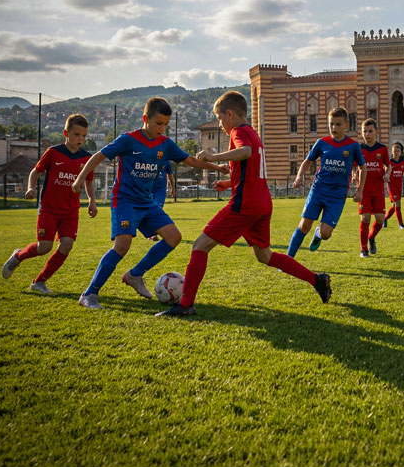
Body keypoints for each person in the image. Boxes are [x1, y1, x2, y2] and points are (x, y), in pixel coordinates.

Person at [156, 91, 332, 316]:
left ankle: (185, 304)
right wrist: (230, 183)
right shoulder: (253, 133)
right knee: (264, 255)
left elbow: (245, 152)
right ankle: (317, 279)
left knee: (200, 245)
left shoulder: (239, 132)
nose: (219, 124)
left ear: (229, 114)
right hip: (261, 202)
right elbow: (252, 170)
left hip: (245, 204)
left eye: (219, 119)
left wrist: (213, 156)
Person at [71, 97, 227, 309]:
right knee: (122, 245)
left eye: (166, 124)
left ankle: (135, 274)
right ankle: (89, 294)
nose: (162, 128)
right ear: (145, 119)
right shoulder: (128, 140)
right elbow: (98, 156)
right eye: (158, 123)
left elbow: (191, 160)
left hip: (147, 202)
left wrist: (218, 168)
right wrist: (80, 178)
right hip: (125, 201)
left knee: (174, 237)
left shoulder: (166, 144)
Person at [2, 114, 97, 293]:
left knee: (67, 245)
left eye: (84, 136)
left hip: (70, 211)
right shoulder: (53, 152)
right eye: (77, 135)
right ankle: (18, 256)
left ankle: (39, 282)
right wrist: (30, 188)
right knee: (44, 247)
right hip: (49, 209)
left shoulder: (86, 158)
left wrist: (92, 201)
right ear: (65, 133)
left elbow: (89, 182)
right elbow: (35, 172)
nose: (81, 139)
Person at [287, 107, 365, 258]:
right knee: (304, 225)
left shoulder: (353, 146)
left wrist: (360, 190)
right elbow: (307, 162)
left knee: (326, 234)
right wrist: (299, 177)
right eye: (331, 124)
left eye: (338, 124)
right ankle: (287, 260)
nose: (334, 128)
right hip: (318, 190)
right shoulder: (321, 143)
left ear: (346, 125)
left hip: (337, 196)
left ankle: (318, 233)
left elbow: (363, 168)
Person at [355, 119, 390, 258]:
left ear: (376, 131)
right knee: (365, 217)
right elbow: (354, 165)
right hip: (364, 189)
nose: (367, 134)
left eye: (370, 131)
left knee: (380, 219)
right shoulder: (359, 149)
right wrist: (353, 176)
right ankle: (363, 249)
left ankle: (371, 237)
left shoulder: (382, 149)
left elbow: (388, 165)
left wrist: (387, 174)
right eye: (365, 131)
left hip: (378, 190)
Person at [383, 142, 404, 229]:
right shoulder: (389, 163)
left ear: (401, 152)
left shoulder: (403, 162)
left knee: (394, 206)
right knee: (398, 203)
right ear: (391, 152)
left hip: (399, 186)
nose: (396, 152)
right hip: (391, 186)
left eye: (398, 151)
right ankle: (401, 224)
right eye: (394, 151)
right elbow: (385, 173)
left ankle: (385, 219)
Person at [148, 161, 175, 241]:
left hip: (160, 190)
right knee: (149, 211)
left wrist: (173, 188)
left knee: (158, 209)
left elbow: (170, 175)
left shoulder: (166, 161)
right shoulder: (149, 157)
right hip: (149, 189)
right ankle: (152, 233)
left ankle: (154, 234)